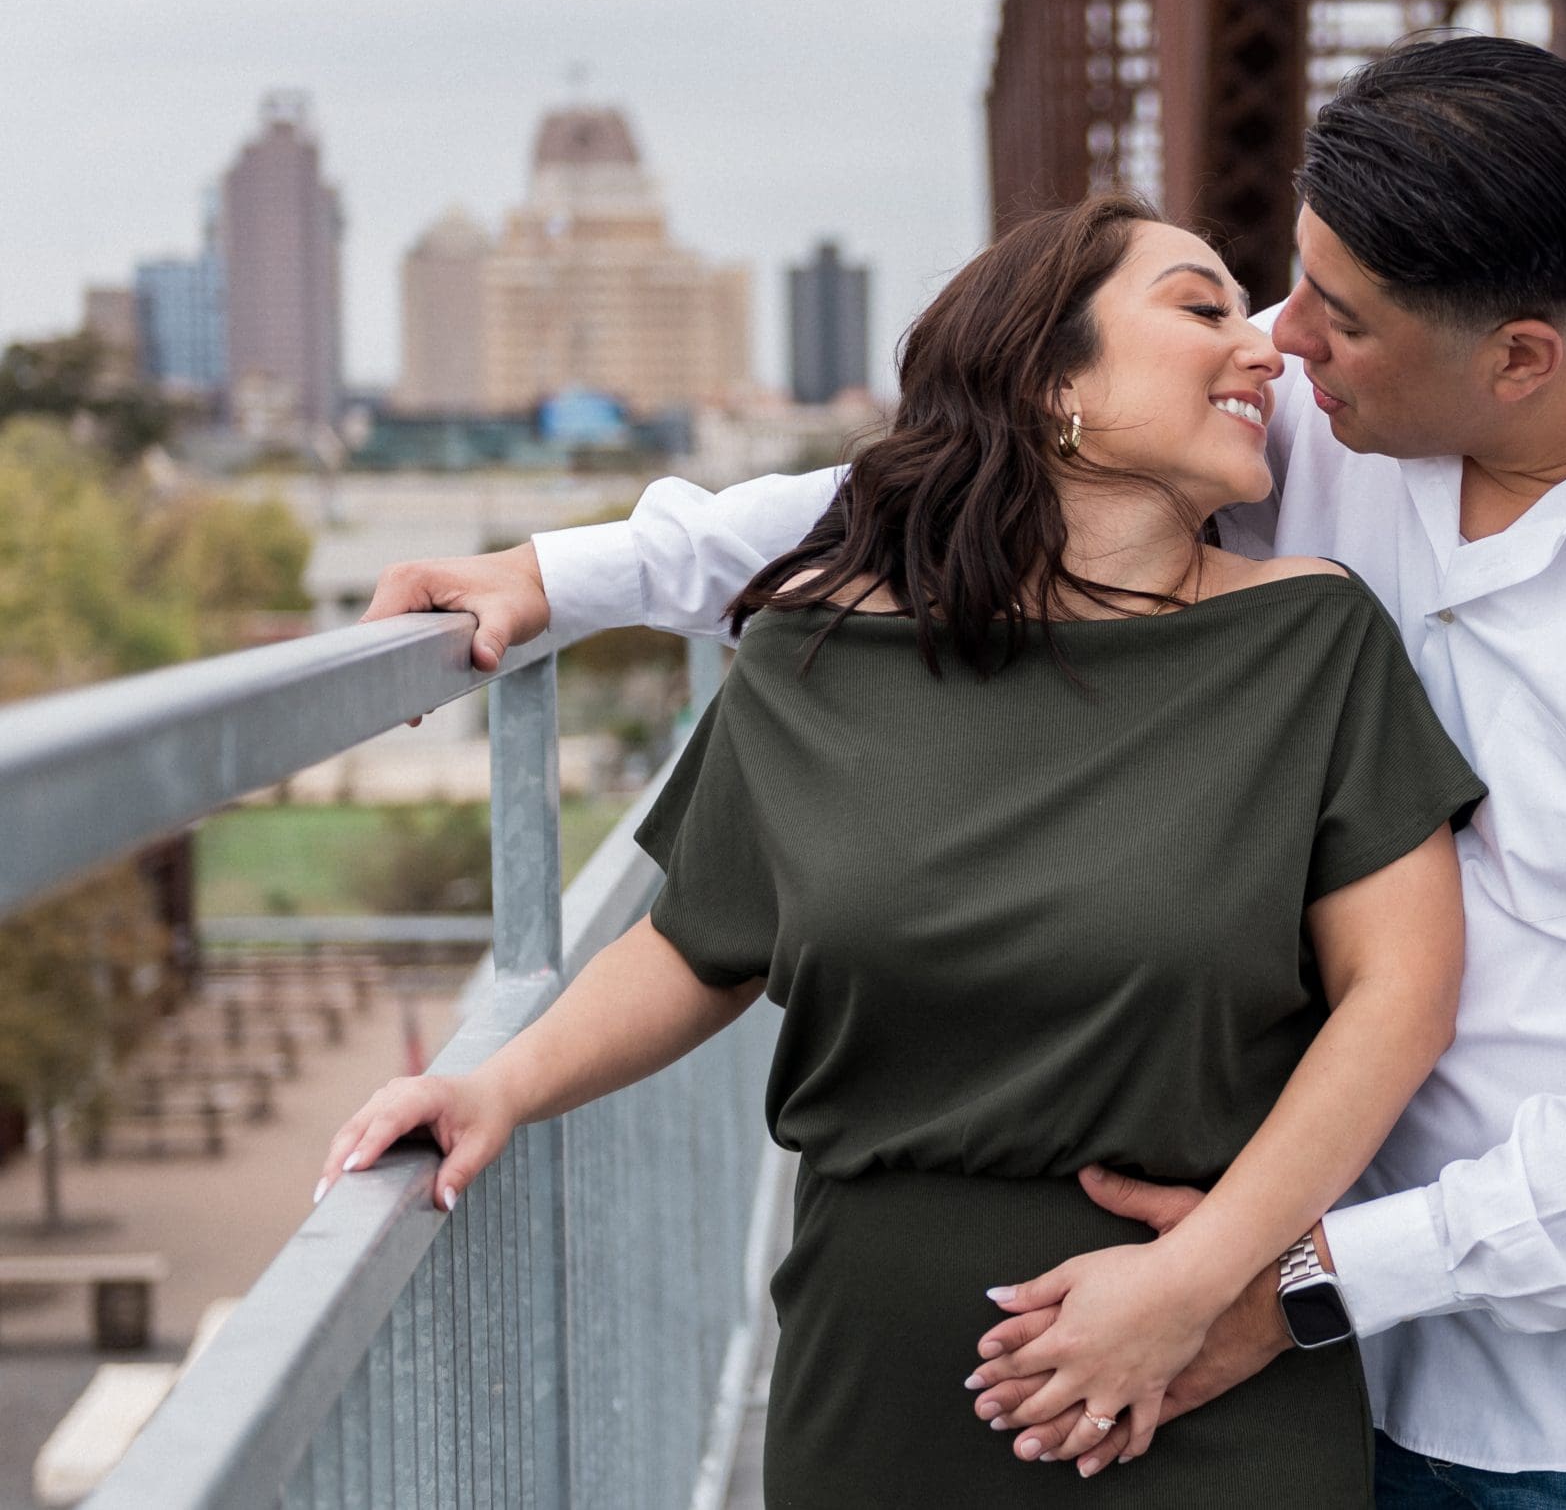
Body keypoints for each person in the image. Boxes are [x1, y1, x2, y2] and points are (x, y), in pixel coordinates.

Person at [365, 35, 1566, 1510]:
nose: (1284, 342)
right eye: (1281, 291)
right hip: (1295, 1335)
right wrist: (571, 575)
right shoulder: (1353, 395)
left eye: (1332, 318)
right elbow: (963, 472)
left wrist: (1287, 1283)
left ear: (1518, 359)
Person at [317, 193, 1486, 1507]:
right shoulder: (816, 653)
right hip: (877, 1389)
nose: (1264, 347)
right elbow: (699, 943)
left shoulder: (1312, 639)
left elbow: (1404, 992)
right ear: (1050, 382)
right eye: (1200, 308)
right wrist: (496, 1088)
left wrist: (1198, 1277)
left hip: (1200, 1370)